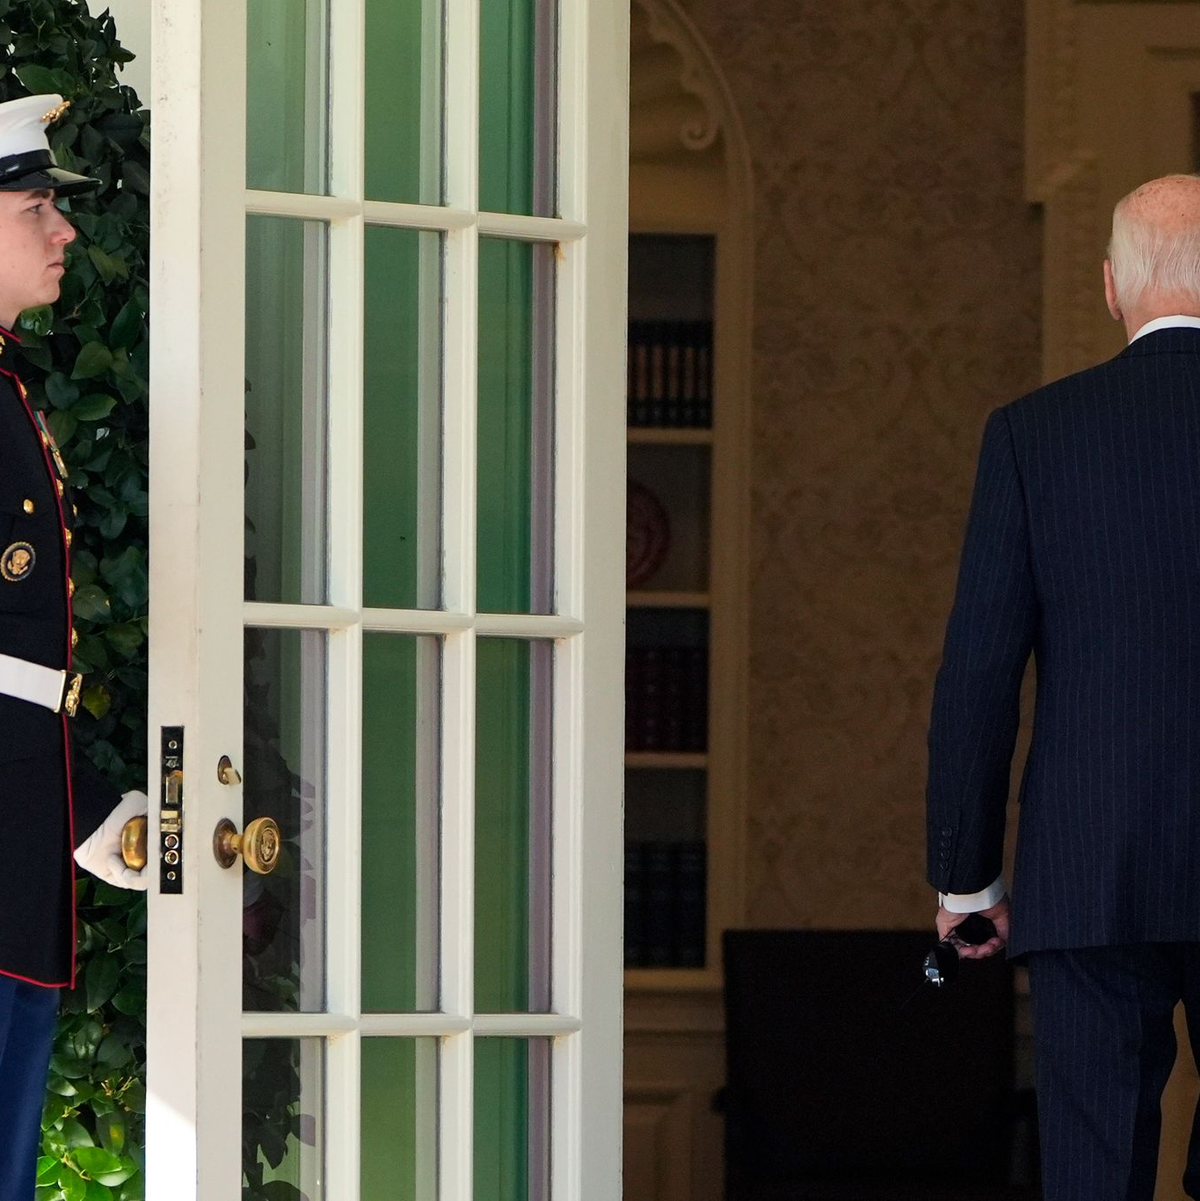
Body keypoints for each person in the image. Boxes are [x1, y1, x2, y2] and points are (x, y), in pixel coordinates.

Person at [927, 172, 1200, 1201]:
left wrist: (966, 878)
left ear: (1109, 288)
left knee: (1092, 1177)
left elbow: (980, 672)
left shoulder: (1034, 435)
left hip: (1090, 867)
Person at [0, 93, 147, 1197]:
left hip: (21, 852)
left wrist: (87, 806)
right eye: (36, 207)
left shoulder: (8, 387)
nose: (65, 231)